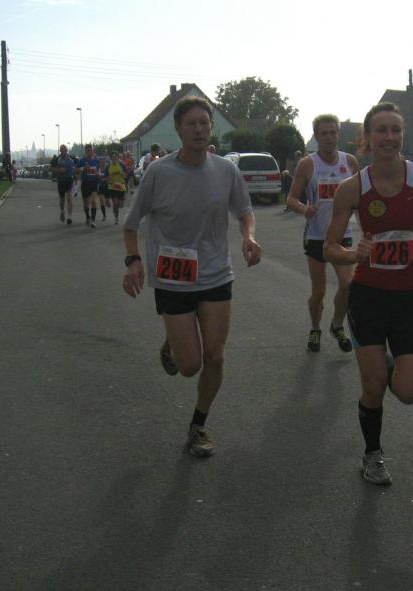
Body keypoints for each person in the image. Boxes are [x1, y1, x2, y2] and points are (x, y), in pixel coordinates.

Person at [122, 96, 261, 458]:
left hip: (216, 274)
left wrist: (248, 236)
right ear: (179, 129)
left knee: (215, 356)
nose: (199, 130)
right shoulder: (158, 172)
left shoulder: (226, 170)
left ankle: (198, 424)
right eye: (191, 124)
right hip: (173, 279)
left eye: (204, 123)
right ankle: (173, 342)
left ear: (211, 127)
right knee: (189, 366)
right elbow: (131, 224)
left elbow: (245, 211)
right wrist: (133, 261)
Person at [325, 102, 413, 485]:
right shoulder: (352, 188)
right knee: (373, 386)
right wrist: (353, 254)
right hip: (368, 296)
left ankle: (388, 364)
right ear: (367, 137)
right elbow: (329, 247)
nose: (389, 137)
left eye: (395, 130)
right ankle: (372, 454)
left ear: (403, 135)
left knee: (409, 392)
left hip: (410, 295)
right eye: (381, 130)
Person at [286, 114, 360, 353]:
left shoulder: (350, 162)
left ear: (338, 134)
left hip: (342, 235)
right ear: (316, 136)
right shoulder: (308, 164)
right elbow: (291, 198)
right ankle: (315, 328)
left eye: (333, 133)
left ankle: (337, 325)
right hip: (316, 236)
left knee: (348, 285)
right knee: (319, 292)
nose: (329, 138)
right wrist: (304, 209)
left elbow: (361, 198)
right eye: (324, 133)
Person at [76, 144, 102, 228]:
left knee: (94, 201)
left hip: (94, 183)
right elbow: (75, 169)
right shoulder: (82, 160)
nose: (89, 152)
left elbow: (98, 170)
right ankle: (87, 217)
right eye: (87, 151)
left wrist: (98, 174)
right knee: (86, 203)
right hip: (85, 183)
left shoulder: (96, 161)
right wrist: (83, 168)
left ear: (92, 151)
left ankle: (93, 220)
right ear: (85, 151)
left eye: (90, 150)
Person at [51, 144, 75, 224]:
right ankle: (62, 211)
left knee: (69, 198)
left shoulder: (71, 159)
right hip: (61, 181)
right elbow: (50, 168)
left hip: (69, 180)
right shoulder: (57, 159)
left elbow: (76, 167)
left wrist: (76, 175)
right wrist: (58, 170)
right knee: (62, 200)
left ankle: (69, 216)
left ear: (67, 150)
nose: (63, 151)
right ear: (60, 151)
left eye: (65, 150)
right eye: (62, 150)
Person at [102, 150, 128, 224]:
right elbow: (105, 178)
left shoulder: (122, 165)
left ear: (118, 158)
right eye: (113, 157)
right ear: (111, 158)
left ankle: (117, 210)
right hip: (112, 186)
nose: (114, 158)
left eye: (115, 157)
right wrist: (108, 178)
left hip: (121, 186)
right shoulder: (108, 167)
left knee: (121, 205)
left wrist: (123, 174)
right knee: (115, 203)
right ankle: (116, 218)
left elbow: (126, 176)